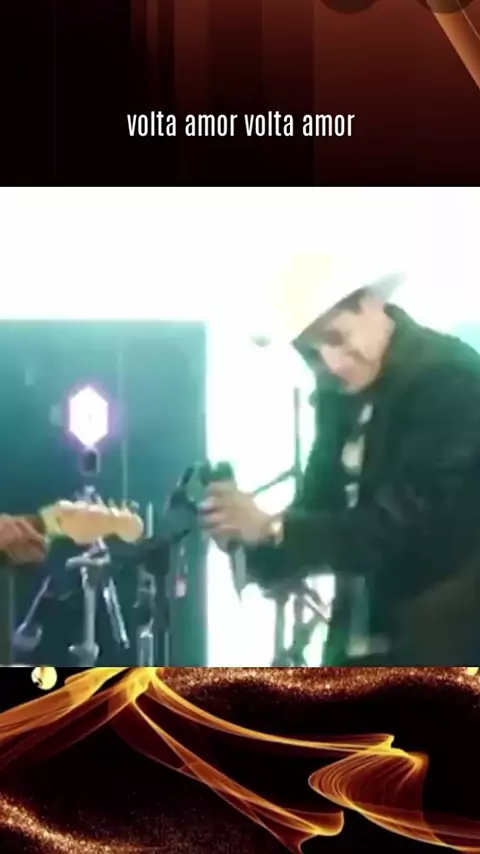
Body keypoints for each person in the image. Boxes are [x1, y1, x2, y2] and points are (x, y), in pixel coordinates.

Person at [201, 252, 480, 666]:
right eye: (310, 353)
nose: (329, 364)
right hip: (364, 645)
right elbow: (318, 507)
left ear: (372, 305)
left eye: (336, 337)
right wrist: (252, 541)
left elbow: (404, 526)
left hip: (443, 646)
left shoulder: (449, 379)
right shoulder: (338, 397)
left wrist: (272, 528)